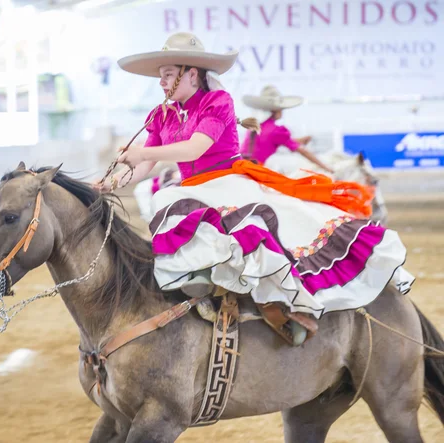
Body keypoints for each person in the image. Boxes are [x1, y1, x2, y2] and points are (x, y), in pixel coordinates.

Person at [96, 32, 414, 346]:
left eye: (167, 75)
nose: (162, 83)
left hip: (226, 182)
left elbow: (194, 149)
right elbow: (143, 168)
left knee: (251, 236)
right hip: (192, 188)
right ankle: (203, 287)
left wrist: (143, 152)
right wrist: (109, 184)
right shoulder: (161, 114)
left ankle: (285, 308)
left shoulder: (217, 101)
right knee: (171, 199)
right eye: (161, 77)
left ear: (191, 74)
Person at [240, 85, 334, 174]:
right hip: (257, 169)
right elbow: (303, 152)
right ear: (277, 111)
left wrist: (298, 141)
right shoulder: (278, 131)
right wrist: (326, 167)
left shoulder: (255, 126)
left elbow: (267, 143)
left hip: (241, 165)